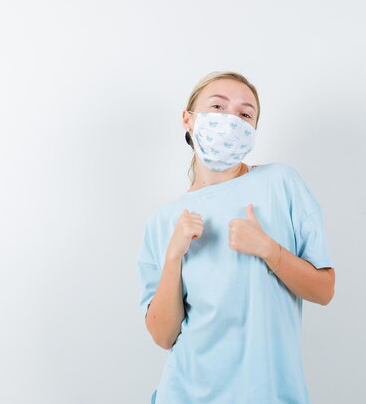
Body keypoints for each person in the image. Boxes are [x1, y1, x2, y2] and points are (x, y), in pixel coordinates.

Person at [136, 71, 336, 404]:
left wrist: (269, 250)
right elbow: (163, 335)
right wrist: (173, 256)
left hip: (270, 393)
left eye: (245, 114)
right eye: (218, 106)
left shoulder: (281, 183)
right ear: (189, 119)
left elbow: (324, 290)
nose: (231, 120)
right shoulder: (162, 222)